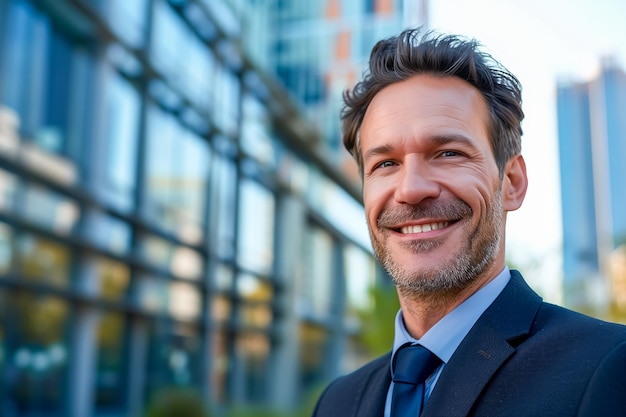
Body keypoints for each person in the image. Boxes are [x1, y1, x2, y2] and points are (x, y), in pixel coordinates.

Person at [312, 27, 626, 417]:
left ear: (511, 183)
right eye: (386, 164)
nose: (411, 189)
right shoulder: (337, 403)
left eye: (447, 153)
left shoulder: (609, 368)